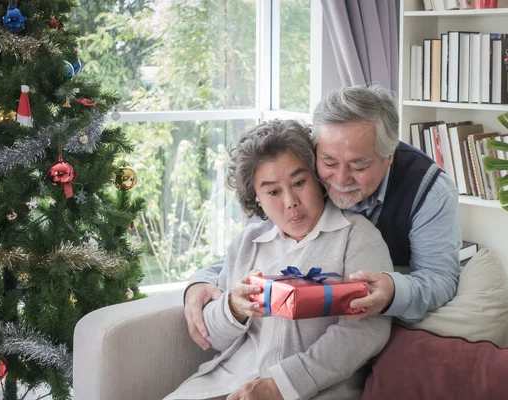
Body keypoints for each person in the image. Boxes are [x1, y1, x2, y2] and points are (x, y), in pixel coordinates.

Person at [185, 85, 461, 354]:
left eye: (359, 165)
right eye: (328, 162)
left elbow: (440, 278)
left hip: (374, 326)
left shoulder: (429, 190)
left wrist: (392, 292)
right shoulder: (303, 172)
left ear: (388, 158)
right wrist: (201, 281)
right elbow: (259, 242)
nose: (340, 180)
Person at [165, 119, 392, 400]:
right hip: (228, 382)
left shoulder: (356, 237)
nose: (290, 202)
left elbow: (365, 332)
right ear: (256, 197)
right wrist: (234, 308)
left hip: (310, 390)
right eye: (273, 191)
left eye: (299, 182)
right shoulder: (248, 241)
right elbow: (211, 337)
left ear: (317, 178)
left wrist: (281, 385)